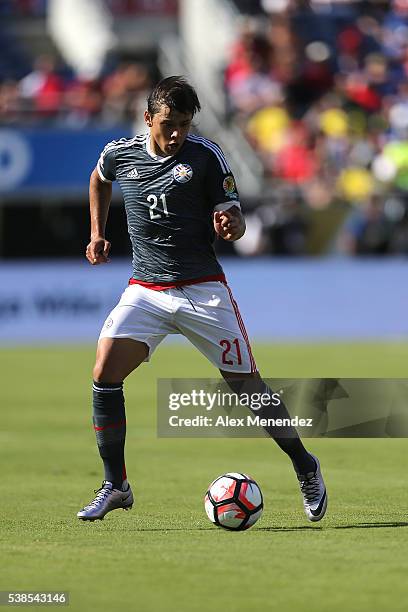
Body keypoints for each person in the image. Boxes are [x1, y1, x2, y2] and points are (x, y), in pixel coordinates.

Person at [77, 76, 327, 522]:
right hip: (146, 291)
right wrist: (97, 232)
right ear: (148, 117)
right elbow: (98, 179)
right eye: (169, 124)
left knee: (248, 387)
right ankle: (116, 485)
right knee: (103, 373)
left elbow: (234, 214)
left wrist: (232, 224)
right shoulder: (121, 154)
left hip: (202, 290)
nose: (177, 135)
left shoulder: (205, 156)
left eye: (185, 125)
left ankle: (305, 466)